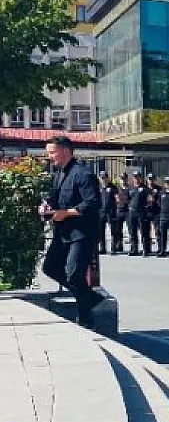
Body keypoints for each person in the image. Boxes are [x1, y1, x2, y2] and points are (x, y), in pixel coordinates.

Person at [41, 137, 103, 327]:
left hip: (82, 232)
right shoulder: (59, 173)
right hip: (64, 231)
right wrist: (45, 208)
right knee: (50, 267)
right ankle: (90, 298)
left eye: (52, 152)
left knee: (74, 273)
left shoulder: (83, 174)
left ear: (66, 151)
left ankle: (86, 319)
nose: (49, 157)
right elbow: (54, 199)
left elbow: (92, 203)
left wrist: (66, 213)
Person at [126, 171, 151, 257]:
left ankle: (145, 250)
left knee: (143, 232)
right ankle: (134, 249)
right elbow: (127, 199)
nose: (136, 179)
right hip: (132, 212)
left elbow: (149, 199)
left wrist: (146, 208)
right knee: (132, 232)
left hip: (141, 212)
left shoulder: (144, 188)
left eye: (138, 177)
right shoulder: (130, 188)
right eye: (135, 177)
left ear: (141, 178)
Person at [97, 171, 117, 255]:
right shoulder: (98, 188)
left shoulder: (113, 187)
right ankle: (102, 248)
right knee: (101, 231)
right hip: (101, 212)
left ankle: (113, 248)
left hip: (110, 212)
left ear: (107, 178)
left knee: (113, 231)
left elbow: (117, 199)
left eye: (104, 177)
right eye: (102, 178)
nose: (103, 179)